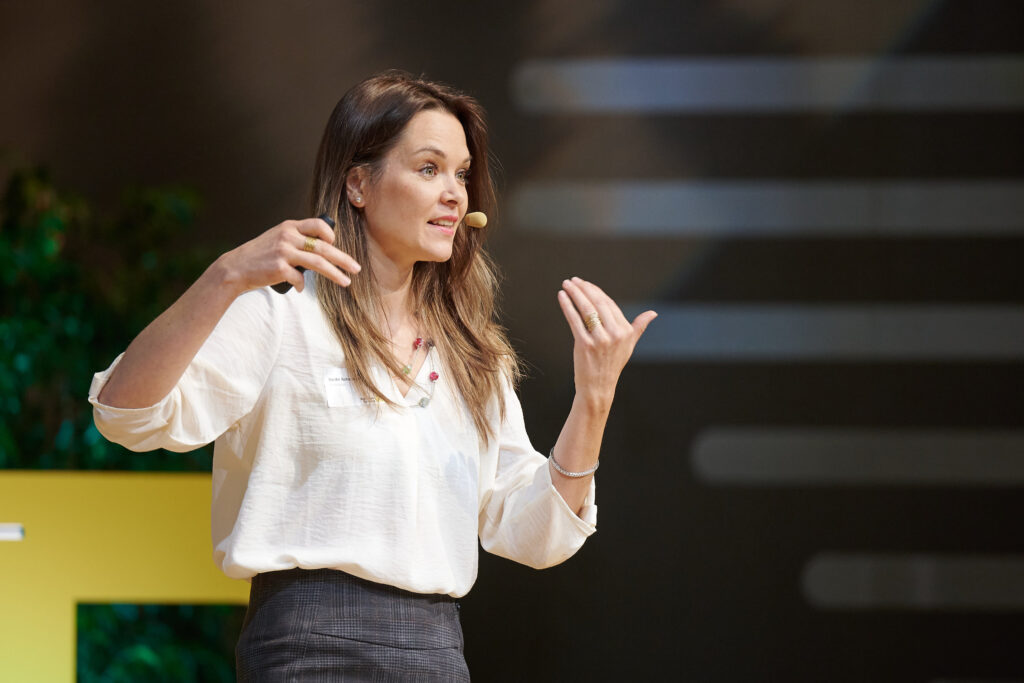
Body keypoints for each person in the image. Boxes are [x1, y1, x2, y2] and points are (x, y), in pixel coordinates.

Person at [88, 70, 657, 681]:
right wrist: (224, 276)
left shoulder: (472, 357)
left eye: (462, 174)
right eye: (429, 168)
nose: (455, 195)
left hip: (437, 655)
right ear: (358, 183)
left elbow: (537, 534)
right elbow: (126, 414)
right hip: (309, 650)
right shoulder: (282, 318)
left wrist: (594, 399)